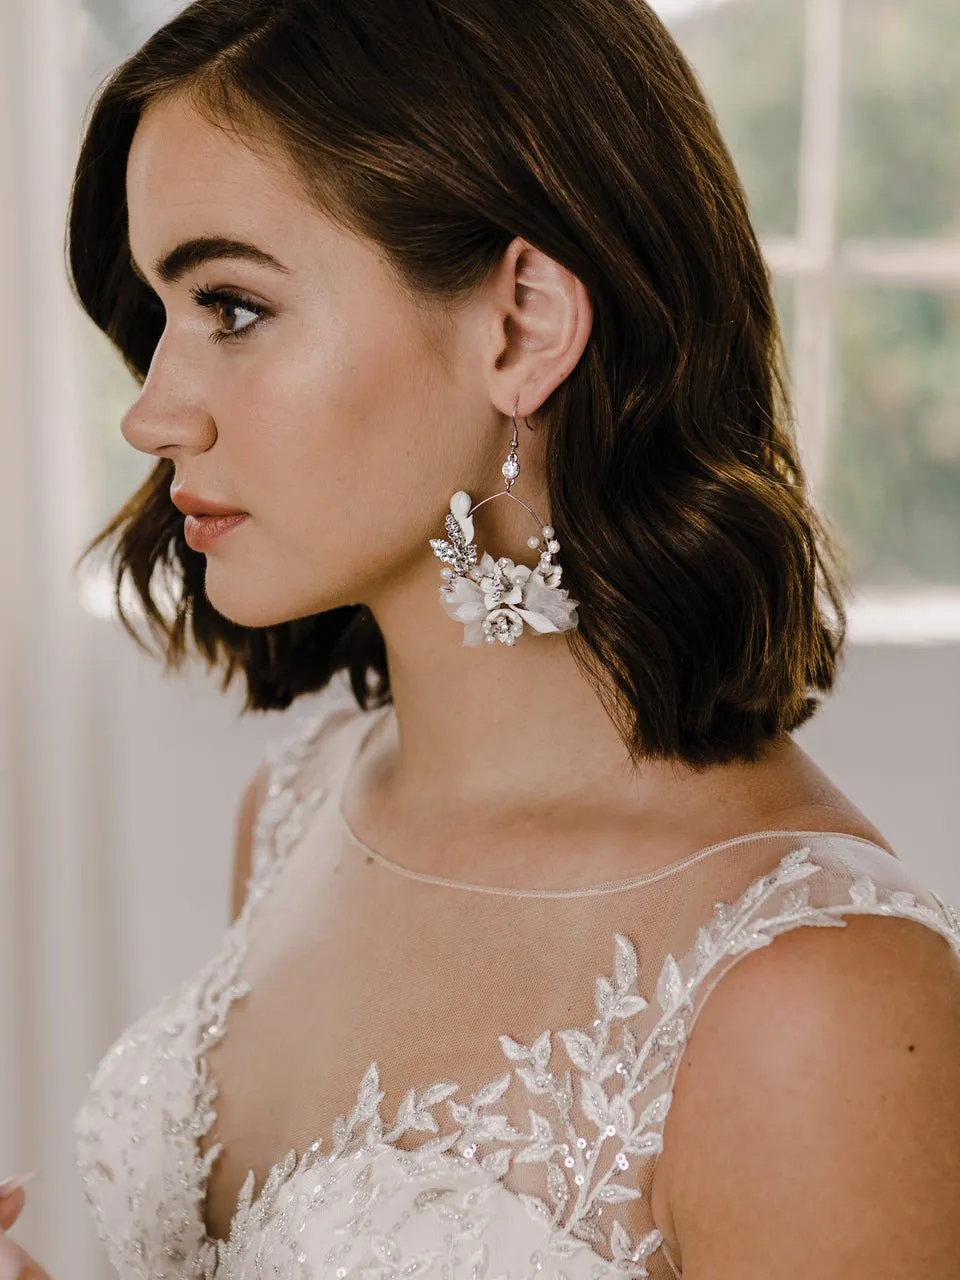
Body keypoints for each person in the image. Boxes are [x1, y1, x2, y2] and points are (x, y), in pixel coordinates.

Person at [3, 1, 959, 1276]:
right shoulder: (300, 810)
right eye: (160, 316)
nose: (154, 413)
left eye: (231, 307)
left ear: (523, 325)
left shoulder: (819, 1005)